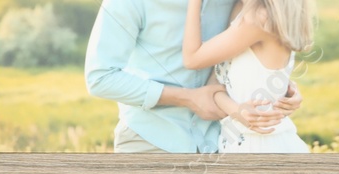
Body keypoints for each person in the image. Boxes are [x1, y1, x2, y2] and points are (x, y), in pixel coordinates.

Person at [85, 0, 301, 152]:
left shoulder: (238, 3)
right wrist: (188, 98)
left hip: (220, 144)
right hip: (149, 142)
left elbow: (250, 53)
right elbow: (100, 77)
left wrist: (280, 85)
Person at [183, 0, 313, 152]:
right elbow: (219, 81)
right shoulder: (242, 8)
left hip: (262, 145)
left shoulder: (258, 18)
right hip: (235, 141)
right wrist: (234, 109)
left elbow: (191, 59)